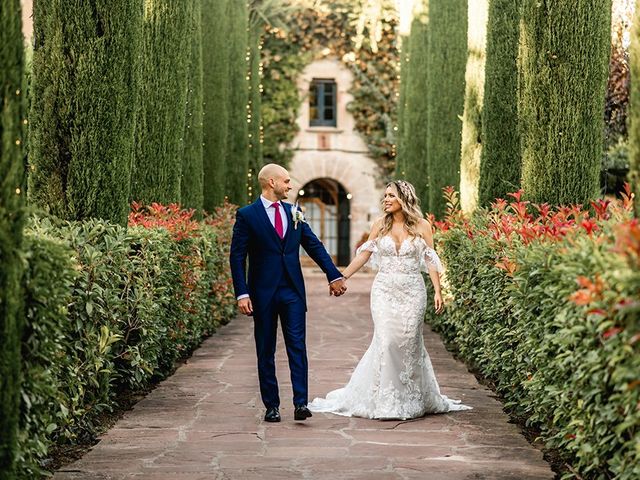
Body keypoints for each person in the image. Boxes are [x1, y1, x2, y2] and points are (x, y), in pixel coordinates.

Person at [308, 180, 472, 419]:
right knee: (386, 342)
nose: (385, 200)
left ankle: (411, 397)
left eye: (391, 196)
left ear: (404, 199)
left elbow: (430, 260)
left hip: (413, 292)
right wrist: (341, 276)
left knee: (409, 343)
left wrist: (437, 290)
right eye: (384, 196)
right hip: (384, 291)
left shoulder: (423, 226)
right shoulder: (379, 226)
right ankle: (387, 399)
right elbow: (364, 256)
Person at [229, 163, 347, 423]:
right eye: (286, 181)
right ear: (271, 182)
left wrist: (334, 274)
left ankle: (301, 403)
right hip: (262, 293)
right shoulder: (247, 215)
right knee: (265, 349)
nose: (290, 185)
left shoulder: (295, 211)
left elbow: (313, 245)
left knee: (297, 346)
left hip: (293, 291)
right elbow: (237, 258)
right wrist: (242, 293)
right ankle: (271, 405)